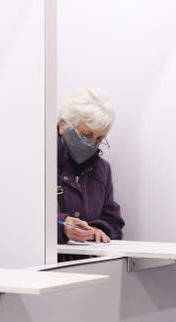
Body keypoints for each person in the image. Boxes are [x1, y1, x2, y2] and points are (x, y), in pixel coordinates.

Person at [57, 87, 124, 245]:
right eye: (86, 134)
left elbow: (114, 223)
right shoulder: (40, 162)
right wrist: (62, 225)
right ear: (62, 125)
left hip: (86, 264)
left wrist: (98, 230)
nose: (92, 143)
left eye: (99, 138)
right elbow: (26, 219)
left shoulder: (103, 170)